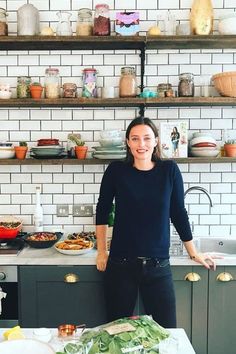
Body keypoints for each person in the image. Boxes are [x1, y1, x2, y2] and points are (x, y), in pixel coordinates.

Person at [96, 116, 216, 328]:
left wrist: (193, 251)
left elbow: (178, 213)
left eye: (146, 138)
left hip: (158, 266)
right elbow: (103, 210)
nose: (141, 144)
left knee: (166, 331)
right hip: (121, 265)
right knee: (115, 331)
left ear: (156, 141)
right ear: (127, 143)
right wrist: (101, 251)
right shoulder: (116, 171)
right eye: (135, 139)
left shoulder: (169, 170)